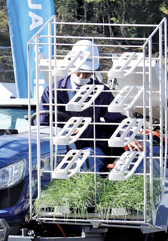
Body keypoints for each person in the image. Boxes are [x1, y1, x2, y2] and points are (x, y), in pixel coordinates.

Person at [39, 40, 125, 171]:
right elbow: (43, 125)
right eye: (79, 71)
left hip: (90, 148)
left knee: (83, 164)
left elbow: (116, 120)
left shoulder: (102, 92)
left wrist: (128, 135)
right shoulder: (52, 91)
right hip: (58, 148)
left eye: (87, 73)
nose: (82, 76)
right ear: (71, 65)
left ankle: (88, 190)